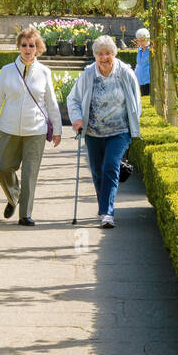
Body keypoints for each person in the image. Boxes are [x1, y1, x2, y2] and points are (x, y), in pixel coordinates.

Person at [0, 27, 61, 226]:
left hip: (36, 131)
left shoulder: (44, 72)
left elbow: (51, 103)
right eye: (24, 45)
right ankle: (14, 197)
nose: (27, 49)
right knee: (3, 167)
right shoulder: (7, 71)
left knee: (30, 174)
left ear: (38, 48)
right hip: (9, 129)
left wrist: (57, 130)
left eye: (31, 45)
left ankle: (25, 215)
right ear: (18, 46)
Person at [67, 35, 142, 228]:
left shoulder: (125, 73)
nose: (104, 58)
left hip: (119, 130)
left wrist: (133, 122)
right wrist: (76, 119)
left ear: (114, 54)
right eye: (100, 54)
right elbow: (73, 99)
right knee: (97, 172)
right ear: (95, 56)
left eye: (108, 53)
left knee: (110, 166)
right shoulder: (88, 74)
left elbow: (135, 102)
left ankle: (107, 213)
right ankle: (103, 208)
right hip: (93, 131)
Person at [134, 27, 151, 97]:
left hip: (148, 80)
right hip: (140, 80)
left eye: (143, 40)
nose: (141, 43)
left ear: (148, 39)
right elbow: (139, 64)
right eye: (139, 41)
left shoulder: (151, 50)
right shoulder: (139, 49)